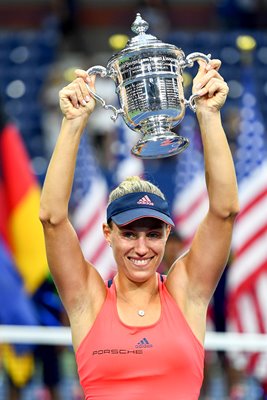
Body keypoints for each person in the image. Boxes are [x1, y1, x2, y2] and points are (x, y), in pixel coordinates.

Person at [39, 58, 239, 400]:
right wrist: (73, 123)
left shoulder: (185, 293)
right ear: (108, 234)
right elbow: (52, 218)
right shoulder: (88, 300)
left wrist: (208, 115)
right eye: (130, 233)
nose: (142, 247)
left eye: (153, 233)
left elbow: (224, 211)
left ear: (166, 235)